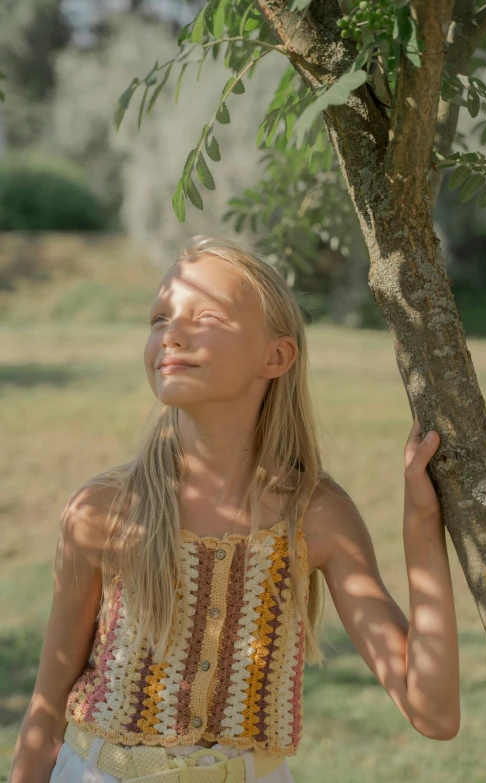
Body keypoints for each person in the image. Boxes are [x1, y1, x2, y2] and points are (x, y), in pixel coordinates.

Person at [9, 235, 460, 783]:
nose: (171, 333)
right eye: (158, 318)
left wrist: (420, 522)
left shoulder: (314, 515)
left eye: (207, 317)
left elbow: (434, 714)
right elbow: (46, 709)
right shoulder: (103, 511)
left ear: (276, 356)